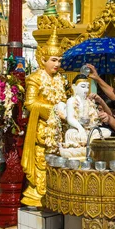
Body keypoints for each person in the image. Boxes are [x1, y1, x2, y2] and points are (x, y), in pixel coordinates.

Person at [23, 28, 69, 207]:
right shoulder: (35, 79)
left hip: (58, 129)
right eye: (54, 60)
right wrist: (53, 109)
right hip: (41, 128)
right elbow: (30, 103)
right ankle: (38, 194)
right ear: (43, 60)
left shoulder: (60, 80)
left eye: (59, 60)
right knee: (41, 162)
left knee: (57, 161)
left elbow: (64, 100)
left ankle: (55, 192)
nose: (57, 64)